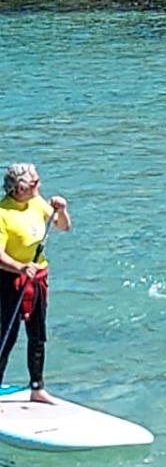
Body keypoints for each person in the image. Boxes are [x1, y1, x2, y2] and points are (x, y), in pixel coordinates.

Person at [0, 161, 70, 402]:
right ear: (20, 189)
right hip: (10, 280)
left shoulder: (37, 203)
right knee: (6, 336)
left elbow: (63, 227)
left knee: (37, 334)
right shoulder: (3, 214)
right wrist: (19, 267)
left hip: (37, 278)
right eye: (34, 182)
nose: (40, 184)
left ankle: (37, 387)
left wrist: (61, 210)